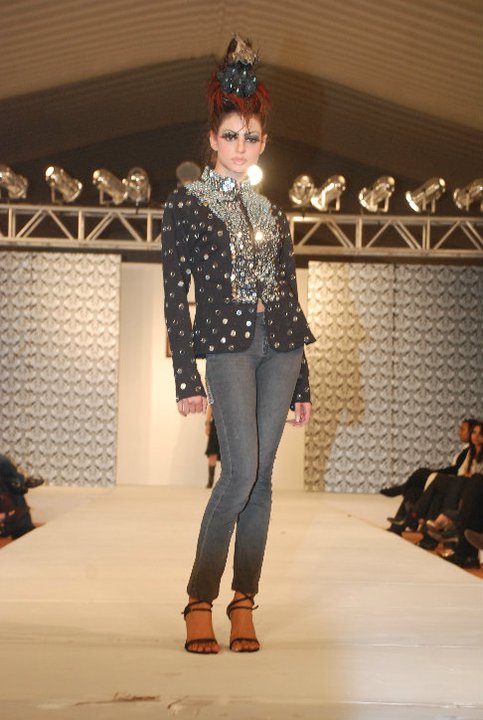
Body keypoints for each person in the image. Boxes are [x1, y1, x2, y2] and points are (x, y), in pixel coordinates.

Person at [162, 35, 315, 654]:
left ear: (262, 143)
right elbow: (175, 297)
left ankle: (244, 598)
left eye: (250, 137)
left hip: (281, 348)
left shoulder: (274, 214)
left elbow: (290, 295)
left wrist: (303, 381)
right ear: (213, 139)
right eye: (230, 135)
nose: (240, 147)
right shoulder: (186, 204)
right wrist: (185, 376)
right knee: (240, 473)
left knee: (264, 479)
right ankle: (200, 597)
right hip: (227, 348)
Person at [385, 418, 476, 535]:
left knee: (426, 475)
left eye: (463, 429)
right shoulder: (469, 451)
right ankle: (400, 525)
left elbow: (457, 471)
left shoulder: (472, 452)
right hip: (455, 482)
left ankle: (409, 502)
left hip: (460, 485)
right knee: (414, 491)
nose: (459, 432)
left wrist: (437, 473)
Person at [204, 405, 220, 489]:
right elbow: (211, 405)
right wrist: (207, 423)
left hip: (230, 424)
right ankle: (210, 482)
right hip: (216, 423)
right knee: (212, 452)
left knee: (229, 455)